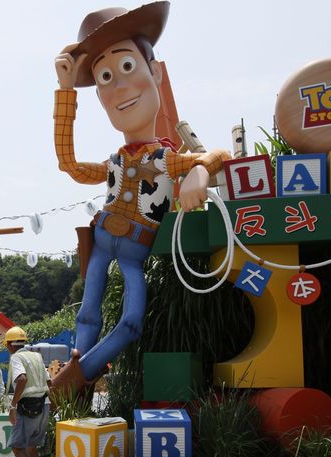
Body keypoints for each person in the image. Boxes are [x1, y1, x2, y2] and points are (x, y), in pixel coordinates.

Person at [52, 1, 232, 394]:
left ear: (156, 72)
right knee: (87, 312)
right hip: (102, 242)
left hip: (135, 249)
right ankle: (76, 371)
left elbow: (219, 155)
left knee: (132, 321)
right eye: (104, 76)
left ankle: (77, 376)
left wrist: (198, 173)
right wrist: (65, 92)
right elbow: (69, 164)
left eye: (128, 67)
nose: (118, 86)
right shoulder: (114, 160)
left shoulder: (168, 159)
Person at [5, 326, 52, 457]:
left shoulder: (17, 357)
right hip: (44, 405)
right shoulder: (36, 356)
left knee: (17, 447)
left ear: (9, 344)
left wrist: (13, 405)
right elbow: (50, 382)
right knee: (32, 448)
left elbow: (22, 379)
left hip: (28, 407)